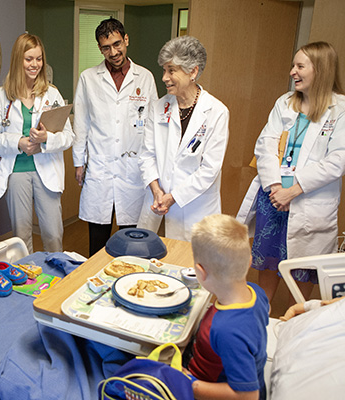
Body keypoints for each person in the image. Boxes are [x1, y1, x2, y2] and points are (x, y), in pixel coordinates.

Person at [237, 42, 345, 303]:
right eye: (293, 66)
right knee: (268, 265)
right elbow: (265, 144)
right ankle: (261, 317)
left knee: (304, 270)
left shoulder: (339, 109)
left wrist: (294, 190)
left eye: (300, 66)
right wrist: (276, 188)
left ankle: (297, 325)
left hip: (308, 202)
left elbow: (337, 160)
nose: (292, 72)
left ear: (319, 70)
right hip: (274, 199)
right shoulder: (285, 103)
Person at [72, 18, 158, 257]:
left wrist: (153, 164)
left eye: (117, 44)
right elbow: (81, 122)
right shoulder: (89, 78)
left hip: (133, 167)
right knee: (97, 237)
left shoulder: (145, 77)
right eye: (106, 47)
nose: (113, 52)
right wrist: (79, 161)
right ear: (100, 49)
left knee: (131, 237)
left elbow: (152, 125)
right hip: (100, 165)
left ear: (126, 39)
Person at [0, 33, 73, 253]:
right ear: (18, 60)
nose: (35, 64)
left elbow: (68, 137)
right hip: (16, 171)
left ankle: (59, 282)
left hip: (46, 170)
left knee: (53, 234)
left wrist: (46, 140)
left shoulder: (52, 94)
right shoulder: (0, 96)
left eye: (39, 59)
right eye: (29, 59)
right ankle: (27, 283)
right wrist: (19, 143)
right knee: (21, 236)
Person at [137, 36, 229, 242]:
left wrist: (173, 197)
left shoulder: (216, 112)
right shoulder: (159, 106)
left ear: (193, 71)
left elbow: (209, 170)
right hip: (156, 201)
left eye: (172, 70)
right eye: (164, 70)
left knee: (190, 266)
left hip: (195, 208)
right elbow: (147, 155)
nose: (164, 78)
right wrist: (157, 191)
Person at [187, 214, 269, 400]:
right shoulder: (256, 292)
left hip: (205, 387)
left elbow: (248, 395)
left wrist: (190, 384)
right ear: (249, 261)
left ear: (200, 272)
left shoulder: (226, 330)